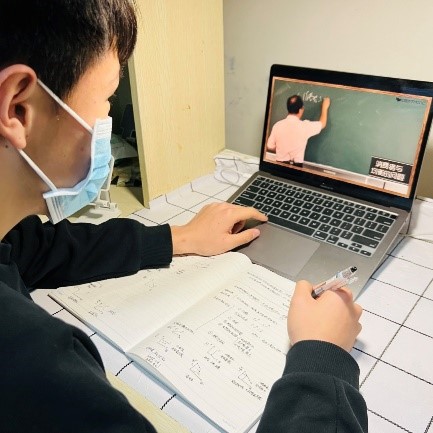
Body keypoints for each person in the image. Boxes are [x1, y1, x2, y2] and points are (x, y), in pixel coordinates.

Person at [0, 1, 367, 432]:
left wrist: (182, 237)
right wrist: (323, 356)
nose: (109, 118)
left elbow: (34, 249)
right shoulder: (35, 370)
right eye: (107, 98)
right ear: (18, 108)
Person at [266, 94, 331, 167]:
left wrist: (280, 150)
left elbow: (269, 146)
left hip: (279, 167)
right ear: (300, 110)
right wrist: (324, 108)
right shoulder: (305, 126)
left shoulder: (277, 125)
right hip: (296, 168)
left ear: (288, 108)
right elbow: (322, 123)